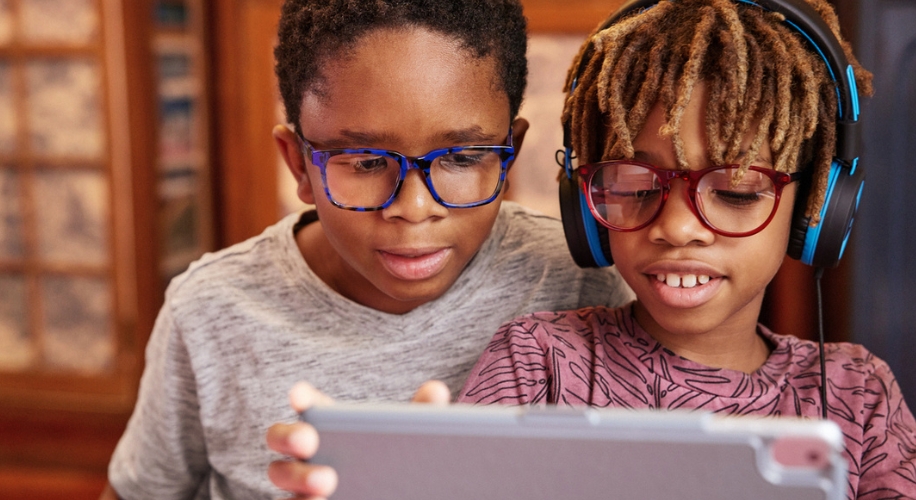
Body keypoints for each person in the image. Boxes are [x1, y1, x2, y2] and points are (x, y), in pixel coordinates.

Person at [100, 0, 635, 498]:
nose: (415, 207)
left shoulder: (580, 282)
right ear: (298, 166)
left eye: (463, 158)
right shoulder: (210, 312)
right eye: (365, 162)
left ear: (509, 156)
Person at [457, 0, 916, 498]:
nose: (677, 228)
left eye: (736, 188)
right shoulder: (537, 364)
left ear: (814, 206)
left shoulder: (860, 394)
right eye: (634, 184)